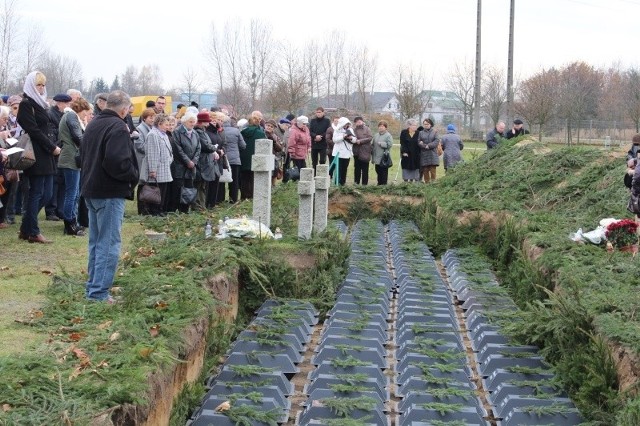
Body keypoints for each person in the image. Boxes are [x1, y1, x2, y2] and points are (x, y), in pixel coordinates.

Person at [80, 90, 139, 302]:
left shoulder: (94, 123)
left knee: (97, 242)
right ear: (124, 109)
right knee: (108, 244)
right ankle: (98, 294)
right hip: (108, 191)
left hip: (92, 189)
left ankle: (94, 288)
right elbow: (117, 162)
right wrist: (133, 175)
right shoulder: (117, 127)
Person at [17, 71, 60, 244]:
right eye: (38, 85)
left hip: (47, 152)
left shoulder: (41, 104)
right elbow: (33, 131)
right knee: (36, 193)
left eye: (43, 85)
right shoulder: (27, 104)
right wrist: (51, 147)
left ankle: (26, 228)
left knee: (47, 193)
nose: (41, 88)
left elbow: (49, 127)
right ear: (30, 86)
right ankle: (33, 231)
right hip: (36, 153)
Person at [58, 97, 92, 236]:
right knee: (71, 194)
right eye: (85, 112)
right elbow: (78, 137)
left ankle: (73, 221)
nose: (86, 115)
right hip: (70, 158)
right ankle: (69, 224)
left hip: (73, 158)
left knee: (75, 193)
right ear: (80, 109)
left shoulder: (71, 116)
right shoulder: (71, 116)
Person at [139, 114, 173, 215]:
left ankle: (159, 209)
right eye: (166, 125)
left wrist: (170, 159)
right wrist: (153, 170)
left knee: (162, 191)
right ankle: (153, 211)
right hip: (157, 169)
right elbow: (152, 154)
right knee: (155, 191)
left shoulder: (164, 134)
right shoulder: (153, 135)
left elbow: (169, 150)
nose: (168, 127)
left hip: (165, 167)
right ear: (159, 124)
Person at [45, 93, 73, 222]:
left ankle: (60, 209)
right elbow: (52, 134)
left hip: (63, 151)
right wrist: (57, 147)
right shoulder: (51, 115)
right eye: (66, 103)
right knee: (55, 182)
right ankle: (51, 210)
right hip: (56, 151)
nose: (68, 106)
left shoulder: (63, 115)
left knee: (62, 182)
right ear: (59, 103)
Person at [170, 112, 200, 213]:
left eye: (194, 122)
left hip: (191, 167)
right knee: (178, 189)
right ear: (184, 122)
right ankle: (174, 210)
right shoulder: (177, 132)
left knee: (188, 189)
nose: (192, 124)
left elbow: (198, 148)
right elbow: (177, 149)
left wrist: (194, 161)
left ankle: (185, 210)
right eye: (190, 122)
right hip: (180, 166)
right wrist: (187, 161)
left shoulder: (195, 133)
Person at [239, 111, 265, 200]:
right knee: (253, 178)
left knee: (244, 178)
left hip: (244, 157)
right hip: (256, 157)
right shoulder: (260, 133)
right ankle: (252, 196)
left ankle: (243, 196)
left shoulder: (242, 131)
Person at [220, 114, 245, 203]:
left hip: (223, 158)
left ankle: (220, 199)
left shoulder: (219, 131)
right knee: (234, 180)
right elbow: (243, 145)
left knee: (221, 180)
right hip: (235, 159)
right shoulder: (236, 131)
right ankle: (233, 199)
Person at [332, 117, 355, 186]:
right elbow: (334, 140)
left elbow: (354, 140)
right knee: (338, 169)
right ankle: (337, 183)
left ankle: (343, 183)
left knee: (344, 168)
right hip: (338, 153)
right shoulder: (337, 130)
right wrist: (343, 137)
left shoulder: (350, 130)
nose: (346, 125)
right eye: (345, 124)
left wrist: (351, 138)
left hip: (347, 153)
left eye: (347, 124)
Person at [309, 107, 331, 173]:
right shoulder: (312, 121)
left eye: (320, 112)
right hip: (314, 143)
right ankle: (315, 175)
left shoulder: (327, 121)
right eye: (317, 112)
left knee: (322, 160)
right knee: (314, 161)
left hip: (323, 144)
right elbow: (310, 131)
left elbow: (328, 131)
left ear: (323, 112)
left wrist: (321, 136)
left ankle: (321, 175)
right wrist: (315, 136)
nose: (318, 114)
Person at [418, 118, 440, 183]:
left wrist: (429, 145)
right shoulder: (420, 133)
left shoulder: (435, 132)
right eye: (424, 124)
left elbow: (436, 141)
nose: (426, 125)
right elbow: (419, 142)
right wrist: (424, 146)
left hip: (433, 154)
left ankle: (433, 184)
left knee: (433, 171)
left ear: (430, 124)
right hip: (424, 154)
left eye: (427, 124)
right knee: (425, 171)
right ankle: (427, 184)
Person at [351, 116, 373, 185]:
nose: (359, 123)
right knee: (357, 169)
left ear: (362, 122)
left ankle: (364, 184)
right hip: (356, 152)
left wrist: (360, 141)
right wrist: (354, 141)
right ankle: (356, 183)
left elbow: (370, 138)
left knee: (365, 169)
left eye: (360, 121)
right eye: (357, 122)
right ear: (355, 123)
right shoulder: (353, 130)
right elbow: (351, 139)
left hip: (365, 151)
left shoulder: (367, 129)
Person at [371, 120, 393, 186]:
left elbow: (390, 145)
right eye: (380, 126)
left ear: (386, 127)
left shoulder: (388, 135)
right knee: (378, 171)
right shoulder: (376, 135)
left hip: (383, 157)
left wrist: (382, 144)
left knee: (383, 172)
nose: (381, 127)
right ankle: (379, 183)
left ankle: (383, 185)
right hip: (376, 156)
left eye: (383, 126)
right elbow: (373, 144)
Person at [264, 119, 284, 185]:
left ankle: (273, 186)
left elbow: (279, 149)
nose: (269, 127)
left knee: (274, 172)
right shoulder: (262, 134)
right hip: (263, 156)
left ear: (274, 128)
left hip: (273, 157)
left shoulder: (275, 137)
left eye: (271, 126)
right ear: (265, 125)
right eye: (268, 125)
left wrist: (274, 142)